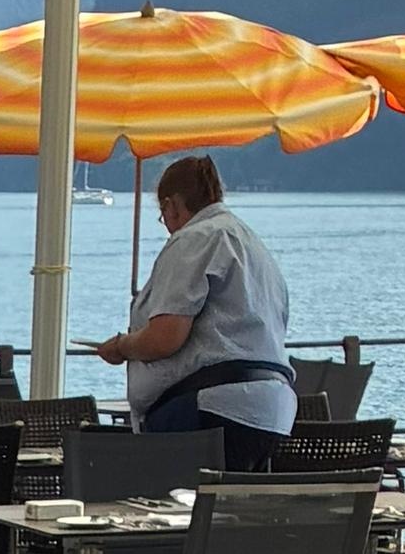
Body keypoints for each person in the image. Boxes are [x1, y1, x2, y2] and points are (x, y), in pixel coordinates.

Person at [93, 152, 297, 440]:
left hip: (214, 406)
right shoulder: (253, 245)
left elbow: (165, 337)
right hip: (274, 410)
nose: (166, 225)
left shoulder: (195, 238)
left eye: (162, 215)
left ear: (172, 206)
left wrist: (122, 346)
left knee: (128, 465)